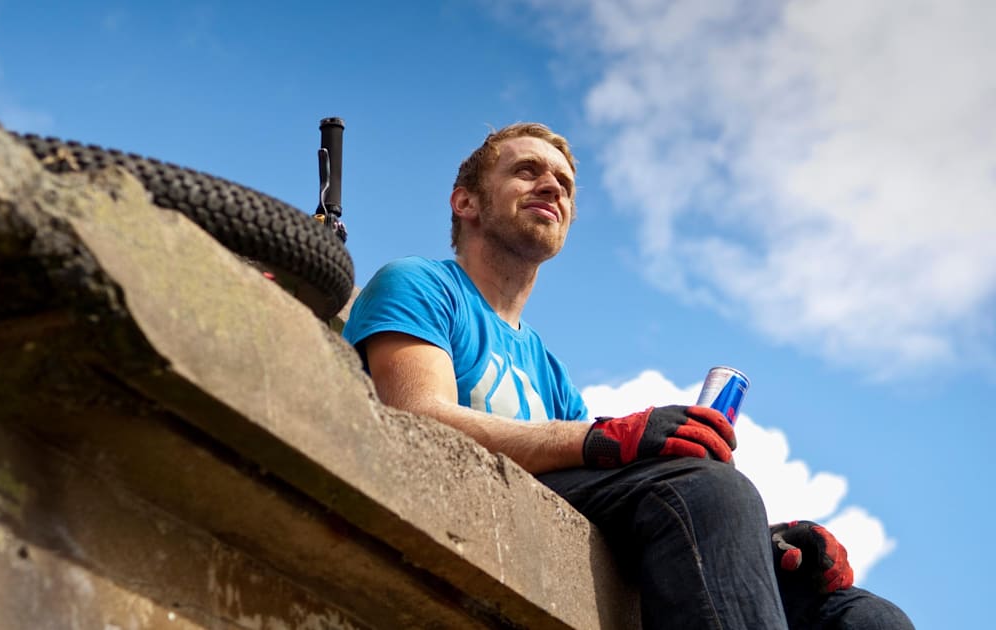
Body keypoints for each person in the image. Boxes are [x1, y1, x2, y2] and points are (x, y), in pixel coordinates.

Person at [342, 122, 913, 629]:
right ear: (465, 202)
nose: (552, 187)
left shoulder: (547, 367)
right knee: (710, 490)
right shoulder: (420, 284)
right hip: (457, 506)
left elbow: (611, 493)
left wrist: (767, 545)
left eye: (564, 184)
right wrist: (605, 437)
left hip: (572, 512)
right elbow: (416, 418)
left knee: (865, 615)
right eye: (527, 172)